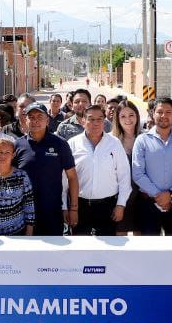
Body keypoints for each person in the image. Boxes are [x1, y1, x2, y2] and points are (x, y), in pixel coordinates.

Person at [13, 103, 79, 236]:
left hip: (52, 212)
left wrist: (73, 209)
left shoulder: (60, 144)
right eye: (31, 117)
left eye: (40, 117)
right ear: (26, 120)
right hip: (23, 212)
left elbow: (72, 177)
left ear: (47, 120)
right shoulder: (18, 145)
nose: (35, 121)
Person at [132, 98, 172, 236]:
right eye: (159, 112)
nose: (164, 116)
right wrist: (158, 195)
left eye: (168, 112)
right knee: (150, 246)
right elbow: (138, 173)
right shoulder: (142, 140)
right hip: (148, 203)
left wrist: (170, 194)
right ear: (152, 113)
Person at [69, 104, 131, 236]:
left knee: (108, 246)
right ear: (83, 121)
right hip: (80, 206)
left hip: (108, 206)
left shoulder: (114, 143)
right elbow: (65, 179)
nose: (95, 123)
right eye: (91, 119)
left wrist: (120, 205)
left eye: (99, 119)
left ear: (104, 121)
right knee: (81, 245)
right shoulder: (73, 144)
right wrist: (68, 208)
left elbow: (124, 176)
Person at [112, 101, 142, 235]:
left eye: (131, 115)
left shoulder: (145, 138)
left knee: (141, 237)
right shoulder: (111, 141)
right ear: (117, 119)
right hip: (119, 198)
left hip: (142, 197)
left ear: (137, 116)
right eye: (123, 116)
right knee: (120, 236)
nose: (128, 119)